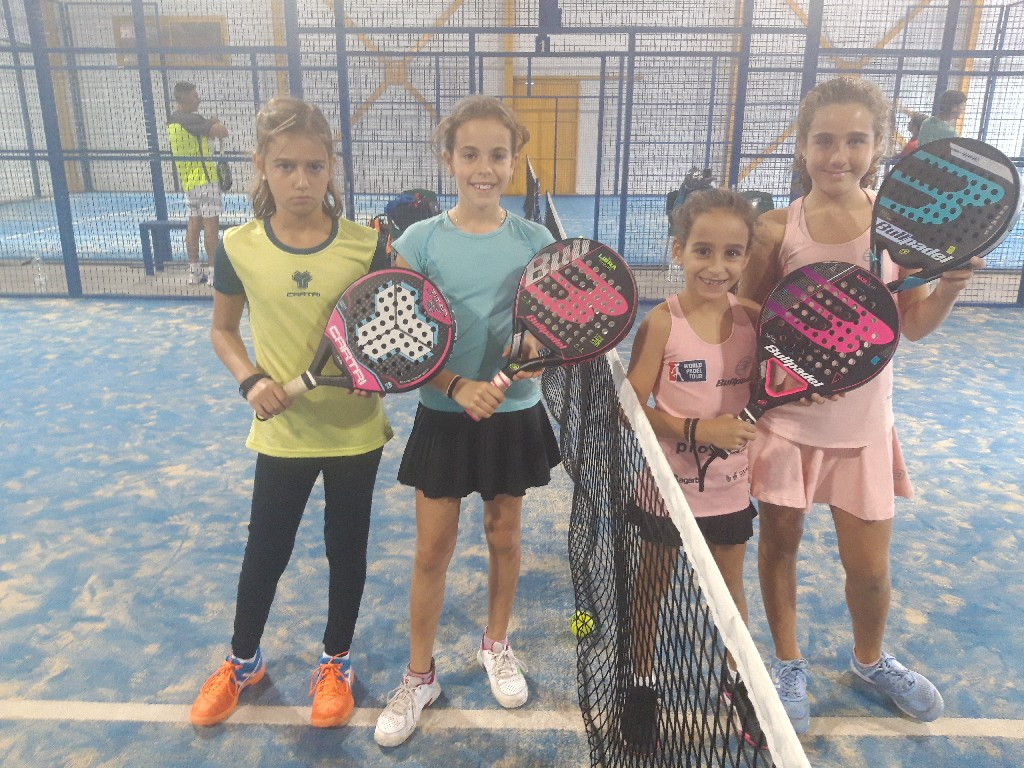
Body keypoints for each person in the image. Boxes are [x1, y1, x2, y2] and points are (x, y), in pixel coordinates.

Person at [740, 76, 985, 734]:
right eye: (824, 140)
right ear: (802, 146)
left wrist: (951, 287)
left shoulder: (899, 226)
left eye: (855, 140)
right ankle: (788, 663)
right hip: (789, 425)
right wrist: (790, 364)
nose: (838, 155)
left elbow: (914, 325)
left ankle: (870, 661)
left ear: (877, 146)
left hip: (866, 429)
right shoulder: (776, 228)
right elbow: (750, 317)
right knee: (781, 548)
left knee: (870, 571)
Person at [189, 97, 392, 729]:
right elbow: (223, 330)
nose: (301, 181)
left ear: (331, 166)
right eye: (285, 166)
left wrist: (374, 373)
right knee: (266, 550)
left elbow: (390, 326)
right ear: (260, 165)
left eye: (314, 166)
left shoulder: (367, 246)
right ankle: (242, 661)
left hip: (355, 433)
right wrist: (251, 380)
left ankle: (335, 663)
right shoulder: (237, 245)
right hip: (282, 433)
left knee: (346, 548)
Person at [373, 94, 561, 748]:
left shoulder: (536, 242)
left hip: (513, 414)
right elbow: (400, 341)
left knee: (504, 535)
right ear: (448, 158)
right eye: (471, 154)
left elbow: (547, 331)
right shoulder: (419, 242)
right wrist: (456, 385)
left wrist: (534, 358)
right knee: (433, 550)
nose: (485, 168)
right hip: (445, 415)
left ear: (514, 160)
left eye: (498, 155)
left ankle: (496, 644)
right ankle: (419, 676)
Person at [623, 187, 762, 751]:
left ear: (747, 258)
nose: (716, 266)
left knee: (730, 593)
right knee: (652, 590)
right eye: (703, 250)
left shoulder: (756, 321)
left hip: (731, 491)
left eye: (732, 253)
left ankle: (740, 681)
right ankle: (640, 684)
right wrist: (698, 431)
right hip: (667, 493)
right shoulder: (662, 323)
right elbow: (629, 407)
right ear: (678, 250)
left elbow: (779, 386)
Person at [168, 81, 229, 285]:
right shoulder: (192, 120)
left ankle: (194, 272)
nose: (198, 99)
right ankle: (213, 274)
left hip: (188, 184)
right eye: (195, 96)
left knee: (193, 225)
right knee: (211, 226)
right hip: (205, 181)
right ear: (185, 99)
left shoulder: (172, 120)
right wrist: (213, 122)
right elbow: (222, 131)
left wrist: (208, 123)